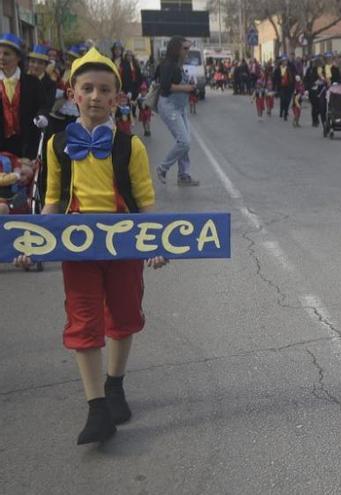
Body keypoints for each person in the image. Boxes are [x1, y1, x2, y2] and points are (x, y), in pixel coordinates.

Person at [14, 47, 168, 445]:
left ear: (118, 97)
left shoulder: (130, 146)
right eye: (88, 88)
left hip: (124, 246)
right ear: (73, 93)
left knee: (123, 314)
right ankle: (96, 407)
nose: (96, 97)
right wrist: (35, 241)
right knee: (83, 320)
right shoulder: (57, 144)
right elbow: (51, 200)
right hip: (77, 247)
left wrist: (155, 241)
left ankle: (115, 385)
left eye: (105, 90)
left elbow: (144, 199)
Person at [156, 36, 199, 186]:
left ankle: (184, 175)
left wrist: (191, 87)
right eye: (185, 49)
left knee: (185, 140)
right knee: (184, 141)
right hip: (169, 106)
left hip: (180, 107)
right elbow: (166, 86)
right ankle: (162, 168)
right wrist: (186, 88)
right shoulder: (168, 65)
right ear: (176, 49)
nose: (188, 51)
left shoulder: (178, 64)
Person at [0, 33, 48, 159]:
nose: (1, 57)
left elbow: (43, 105)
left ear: (18, 57)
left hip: (26, 142)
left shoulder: (32, 82)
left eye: (6, 54)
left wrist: (42, 116)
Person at [120, 51, 144, 117]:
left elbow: (139, 74)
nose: (129, 57)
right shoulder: (123, 65)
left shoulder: (135, 64)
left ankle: (133, 112)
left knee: (135, 98)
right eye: (128, 56)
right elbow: (123, 76)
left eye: (130, 56)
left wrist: (141, 82)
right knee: (128, 99)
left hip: (135, 84)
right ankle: (128, 113)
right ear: (126, 56)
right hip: (127, 84)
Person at [273, 57, 297, 121]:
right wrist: (274, 87)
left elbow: (294, 77)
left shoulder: (290, 69)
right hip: (281, 87)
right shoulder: (278, 69)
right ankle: (282, 110)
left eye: (286, 61)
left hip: (289, 87)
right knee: (283, 99)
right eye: (283, 61)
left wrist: (294, 86)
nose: (284, 62)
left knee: (288, 100)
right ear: (281, 62)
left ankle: (286, 113)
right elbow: (275, 78)